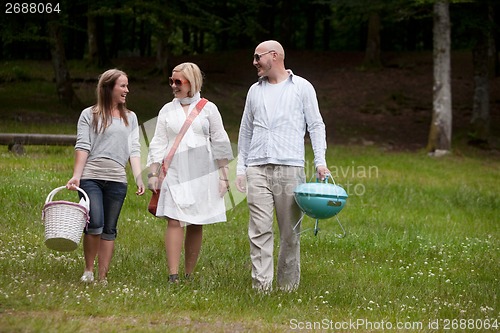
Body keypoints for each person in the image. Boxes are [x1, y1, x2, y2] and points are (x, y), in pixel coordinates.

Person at [235, 40, 330, 292]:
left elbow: (316, 125)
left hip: (290, 167)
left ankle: (287, 288)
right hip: (257, 166)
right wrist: (240, 168)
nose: (254, 62)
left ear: (274, 56)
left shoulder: (302, 88)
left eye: (257, 57)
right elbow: (245, 131)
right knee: (259, 231)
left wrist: (320, 161)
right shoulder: (254, 91)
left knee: (290, 233)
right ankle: (261, 288)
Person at [147, 62, 233, 283]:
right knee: (174, 220)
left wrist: (224, 176)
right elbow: (158, 142)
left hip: (203, 172)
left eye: (178, 82)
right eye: (171, 81)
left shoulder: (209, 108)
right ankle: (173, 274)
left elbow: (221, 141)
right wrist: (153, 173)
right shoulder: (167, 109)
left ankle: (189, 274)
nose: (173, 86)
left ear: (191, 83)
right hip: (174, 171)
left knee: (196, 221)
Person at [66, 69, 145, 284]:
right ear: (108, 87)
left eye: (127, 86)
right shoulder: (89, 114)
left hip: (117, 179)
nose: (127, 90)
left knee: (109, 227)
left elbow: (134, 149)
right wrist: (76, 176)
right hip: (91, 177)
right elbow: (82, 146)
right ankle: (88, 271)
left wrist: (138, 177)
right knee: (95, 222)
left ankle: (102, 276)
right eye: (123, 86)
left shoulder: (131, 118)